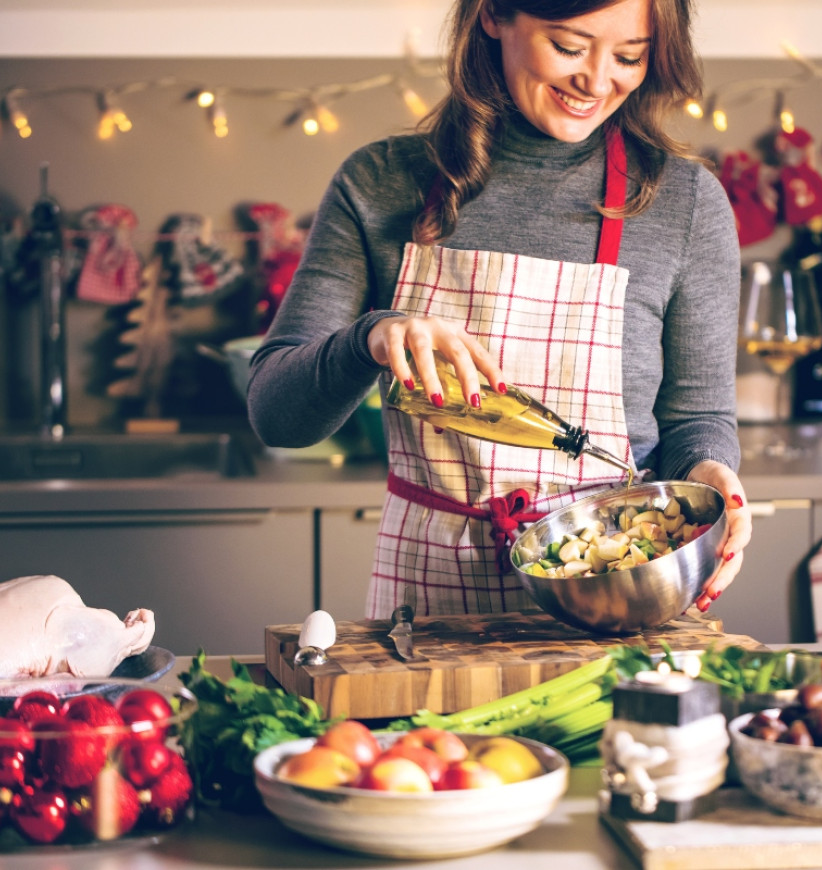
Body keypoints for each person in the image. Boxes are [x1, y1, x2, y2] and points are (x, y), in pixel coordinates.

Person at [248, 0, 752, 621]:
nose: (597, 82)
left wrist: (711, 474)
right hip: (429, 610)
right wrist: (370, 339)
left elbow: (697, 417)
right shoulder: (380, 183)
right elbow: (276, 416)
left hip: (619, 594)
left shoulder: (685, 203)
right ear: (493, 15)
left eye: (629, 56)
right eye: (569, 46)